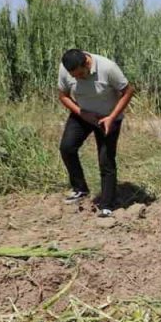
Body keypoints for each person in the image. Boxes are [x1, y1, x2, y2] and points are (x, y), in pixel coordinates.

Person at [57, 49, 134, 218]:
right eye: (73, 76)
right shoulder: (66, 69)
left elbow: (128, 91)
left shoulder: (108, 68)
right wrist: (81, 112)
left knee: (106, 160)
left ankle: (107, 205)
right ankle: (80, 189)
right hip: (82, 114)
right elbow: (63, 96)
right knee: (67, 148)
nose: (77, 78)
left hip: (108, 117)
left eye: (80, 75)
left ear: (87, 63)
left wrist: (112, 117)